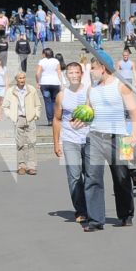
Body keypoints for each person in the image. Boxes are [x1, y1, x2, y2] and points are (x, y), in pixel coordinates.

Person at [81, 57, 136, 230]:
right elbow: (88, 112)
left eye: (92, 68)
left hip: (120, 137)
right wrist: (79, 120)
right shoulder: (91, 89)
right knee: (92, 177)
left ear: (103, 68)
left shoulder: (121, 86)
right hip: (94, 136)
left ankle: (126, 214)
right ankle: (95, 220)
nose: (90, 72)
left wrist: (134, 135)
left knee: (122, 177)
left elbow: (134, 113)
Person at [51, 59, 93, 223]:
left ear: (82, 74)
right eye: (71, 73)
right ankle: (81, 210)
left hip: (89, 138)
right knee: (74, 176)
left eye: (77, 72)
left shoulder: (89, 92)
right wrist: (56, 142)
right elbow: (57, 119)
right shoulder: (62, 95)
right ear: (65, 75)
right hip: (70, 140)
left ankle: (92, 207)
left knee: (90, 175)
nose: (74, 76)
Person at [1, 71, 39, 175]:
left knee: (32, 142)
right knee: (20, 144)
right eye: (20, 78)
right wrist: (12, 116)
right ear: (16, 80)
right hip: (18, 119)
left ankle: (31, 166)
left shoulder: (31, 89)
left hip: (30, 118)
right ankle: (21, 166)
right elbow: (5, 106)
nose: (22, 80)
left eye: (23, 78)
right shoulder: (10, 91)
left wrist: (36, 115)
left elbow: (37, 104)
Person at [36, 47, 62, 124]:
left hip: (44, 83)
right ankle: (55, 118)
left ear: (44, 54)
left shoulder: (41, 61)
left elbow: (38, 73)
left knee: (47, 102)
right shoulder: (56, 61)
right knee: (54, 101)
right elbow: (59, 72)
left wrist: (38, 82)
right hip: (55, 83)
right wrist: (60, 82)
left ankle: (50, 120)